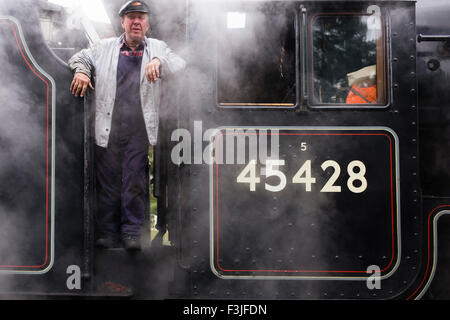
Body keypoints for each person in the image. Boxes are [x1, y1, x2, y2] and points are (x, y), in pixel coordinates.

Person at [68, 0, 186, 250]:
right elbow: (80, 57)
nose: (136, 22)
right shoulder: (104, 47)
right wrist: (82, 71)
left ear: (147, 23)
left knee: (134, 179)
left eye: (141, 18)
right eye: (131, 17)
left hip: (138, 128)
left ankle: (132, 233)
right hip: (109, 124)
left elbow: (179, 63)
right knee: (108, 181)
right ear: (122, 22)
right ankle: (109, 234)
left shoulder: (158, 47)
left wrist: (159, 63)